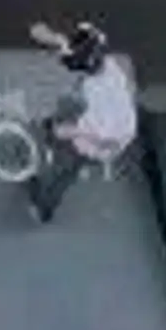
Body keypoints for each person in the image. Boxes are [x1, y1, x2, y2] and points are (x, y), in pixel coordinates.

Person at [24, 18, 139, 224]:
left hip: (95, 144)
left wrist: (67, 132)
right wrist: (54, 39)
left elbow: (106, 138)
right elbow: (80, 43)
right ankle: (55, 137)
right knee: (66, 111)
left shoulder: (103, 104)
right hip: (100, 124)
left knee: (63, 170)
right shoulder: (111, 65)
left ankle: (44, 204)